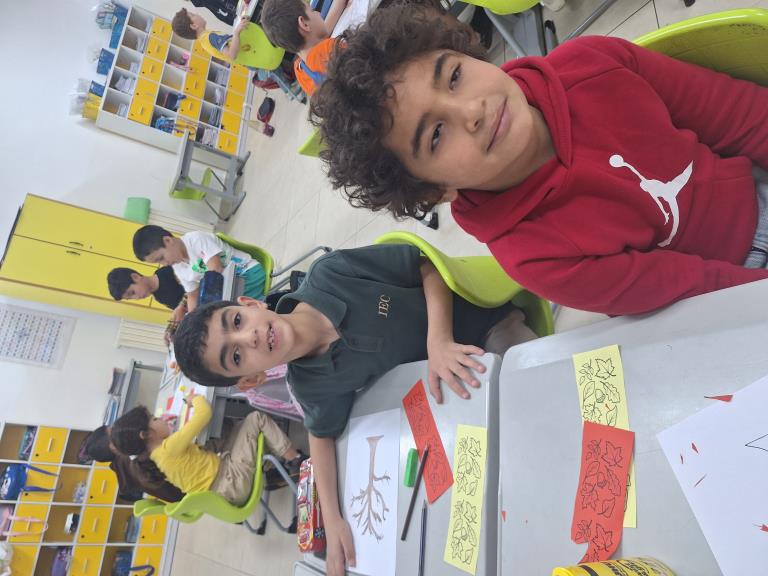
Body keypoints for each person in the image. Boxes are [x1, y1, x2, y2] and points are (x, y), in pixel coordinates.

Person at [309, 2, 768, 317]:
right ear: (435, 190)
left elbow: (742, 116)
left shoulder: (592, 63)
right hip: (730, 290)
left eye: (454, 76)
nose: (471, 111)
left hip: (756, 189)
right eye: (436, 135)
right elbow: (689, 293)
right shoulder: (531, 255)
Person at [171, 243, 537, 574]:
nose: (248, 337)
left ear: (251, 304)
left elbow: (427, 267)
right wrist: (332, 518)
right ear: (251, 379)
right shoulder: (308, 383)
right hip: (453, 393)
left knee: (534, 412)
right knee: (499, 484)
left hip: (484, 325)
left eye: (236, 322)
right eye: (236, 356)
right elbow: (320, 433)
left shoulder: (329, 274)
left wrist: (438, 340)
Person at [110, 397, 304, 506]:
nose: (159, 419)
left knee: (235, 428)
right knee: (255, 419)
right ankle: (296, 462)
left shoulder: (156, 458)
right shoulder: (169, 448)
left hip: (223, 495)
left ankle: (271, 470)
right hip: (232, 481)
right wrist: (194, 399)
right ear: (145, 434)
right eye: (154, 419)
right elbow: (204, 413)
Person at [132, 225, 266, 313]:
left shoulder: (196, 240)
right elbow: (192, 294)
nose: (164, 264)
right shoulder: (178, 267)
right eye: (158, 262)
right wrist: (193, 317)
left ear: (168, 240)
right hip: (232, 287)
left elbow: (215, 268)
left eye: (161, 258)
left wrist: (209, 305)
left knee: (231, 316)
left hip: (248, 273)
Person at [260, 0, 349, 97]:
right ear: (304, 24)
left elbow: (321, 36)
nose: (318, 13)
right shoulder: (333, 49)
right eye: (312, 10)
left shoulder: (300, 71)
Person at [83, 425, 184, 503]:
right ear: (113, 447)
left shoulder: (122, 468)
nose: (119, 429)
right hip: (187, 484)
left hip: (181, 496)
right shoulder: (132, 456)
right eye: (114, 431)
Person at [107, 266, 186, 323]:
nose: (137, 298)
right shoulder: (158, 297)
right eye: (131, 298)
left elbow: (192, 279)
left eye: (133, 293)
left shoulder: (165, 273)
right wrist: (173, 326)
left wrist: (181, 306)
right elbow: (183, 310)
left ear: (135, 277)